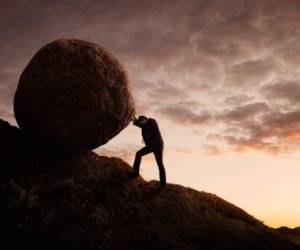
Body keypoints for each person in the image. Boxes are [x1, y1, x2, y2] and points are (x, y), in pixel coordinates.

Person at [132, 115, 166, 187]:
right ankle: (162, 184)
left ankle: (135, 173)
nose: (142, 122)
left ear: (145, 119)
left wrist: (135, 121)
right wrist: (137, 122)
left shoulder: (151, 121)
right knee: (159, 164)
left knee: (139, 154)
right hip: (154, 145)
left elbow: (143, 125)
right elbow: (143, 127)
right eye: (141, 121)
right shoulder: (145, 127)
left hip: (157, 144)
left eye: (142, 120)